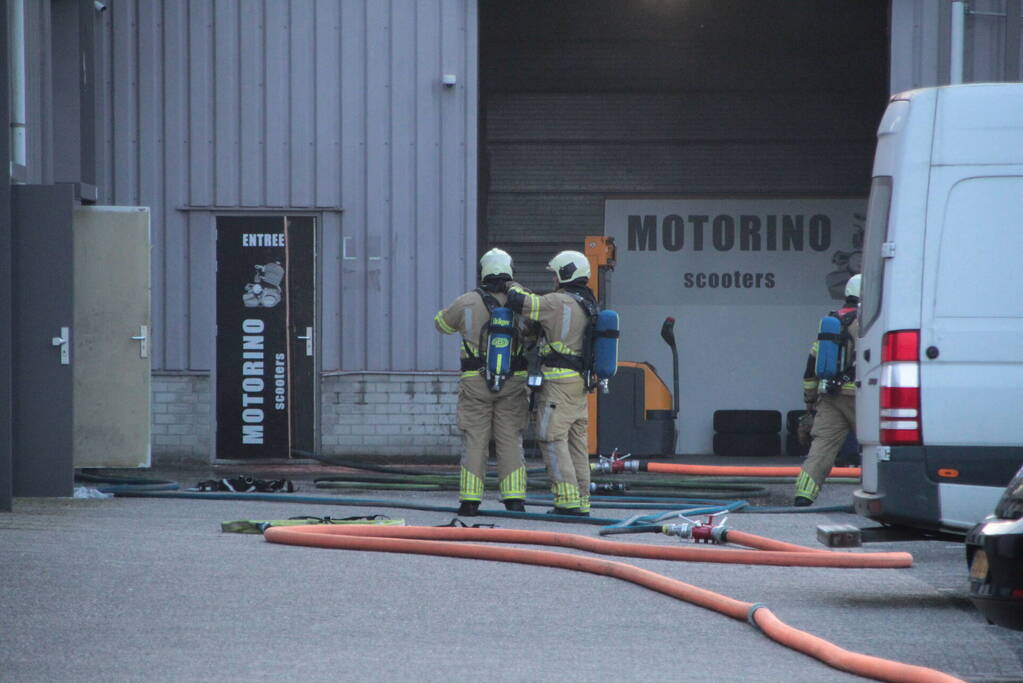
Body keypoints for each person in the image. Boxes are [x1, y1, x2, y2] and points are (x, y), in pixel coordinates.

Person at [434, 248, 530, 516]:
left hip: (475, 381)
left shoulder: (467, 301)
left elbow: (441, 324)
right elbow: (536, 331)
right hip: (514, 381)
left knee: (475, 439)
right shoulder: (522, 303)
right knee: (510, 438)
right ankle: (514, 500)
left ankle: (469, 501)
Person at [504, 250, 597, 516]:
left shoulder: (557, 302)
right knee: (576, 443)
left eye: (556, 274)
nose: (554, 279)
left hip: (558, 384)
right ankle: (582, 500)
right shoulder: (587, 301)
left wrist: (511, 282)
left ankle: (566, 501)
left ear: (566, 274)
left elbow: (518, 302)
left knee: (551, 438)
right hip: (579, 384)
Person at [794, 274, 861, 507]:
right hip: (863, 398)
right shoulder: (871, 321)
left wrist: (809, 402)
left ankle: (803, 495)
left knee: (821, 448)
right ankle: (891, 499)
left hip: (831, 397)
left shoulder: (833, 321)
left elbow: (811, 365)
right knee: (882, 447)